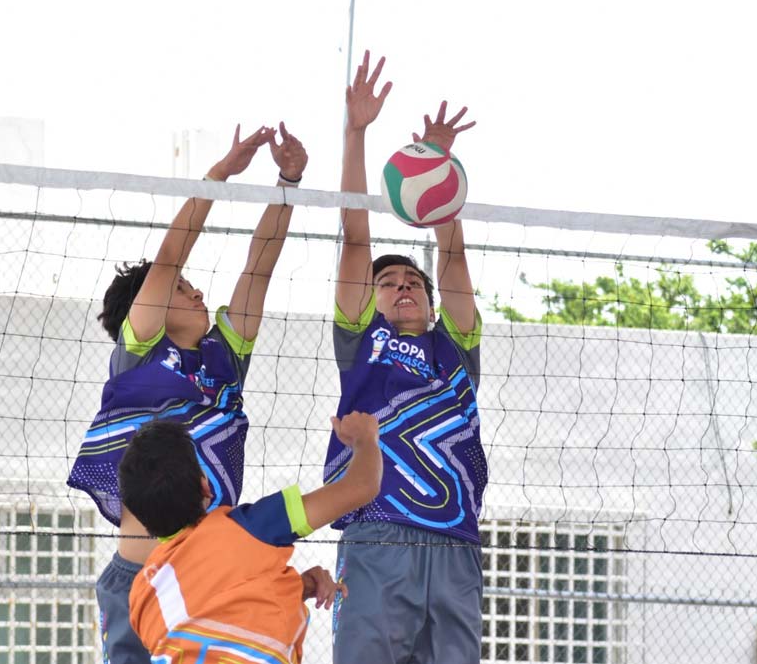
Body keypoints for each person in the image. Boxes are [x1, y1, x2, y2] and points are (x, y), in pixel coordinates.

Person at [67, 122, 308, 664]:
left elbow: (259, 267)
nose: (196, 290)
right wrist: (220, 174)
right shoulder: (140, 352)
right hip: (140, 575)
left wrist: (288, 182)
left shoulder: (226, 356)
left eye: (190, 285)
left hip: (209, 576)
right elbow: (170, 256)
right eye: (180, 288)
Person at [327, 50, 486, 663]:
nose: (403, 287)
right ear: (371, 299)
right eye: (389, 282)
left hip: (454, 541)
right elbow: (355, 237)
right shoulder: (361, 340)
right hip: (378, 529)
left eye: (413, 282)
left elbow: (453, 259)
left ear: (429, 298)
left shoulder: (455, 347)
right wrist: (356, 132)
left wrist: (438, 168)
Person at [122, 412, 383, 664]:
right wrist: (365, 439)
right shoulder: (251, 527)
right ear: (205, 487)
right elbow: (362, 486)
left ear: (141, 517)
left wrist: (297, 587)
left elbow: (213, 613)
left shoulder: (142, 596)